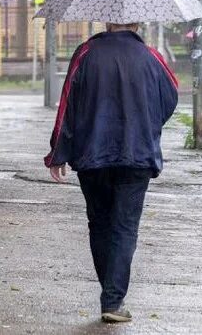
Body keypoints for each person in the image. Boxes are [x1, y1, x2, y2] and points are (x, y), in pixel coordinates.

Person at [44, 23, 178, 323]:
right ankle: (113, 300)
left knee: (100, 223)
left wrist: (58, 152)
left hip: (92, 155)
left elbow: (67, 106)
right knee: (125, 227)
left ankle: (111, 295)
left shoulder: (86, 54)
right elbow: (170, 98)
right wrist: (146, 124)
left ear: (107, 23)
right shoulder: (151, 56)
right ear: (136, 24)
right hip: (137, 155)